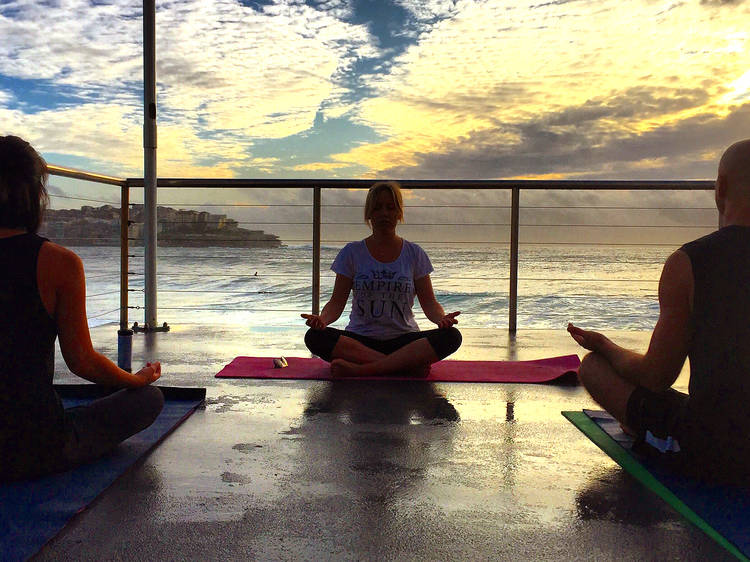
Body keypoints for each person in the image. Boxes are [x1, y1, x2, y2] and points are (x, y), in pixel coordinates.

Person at [568, 139, 750, 481]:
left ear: (720, 188)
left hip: (719, 451)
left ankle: (643, 429)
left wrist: (606, 346)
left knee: (593, 368)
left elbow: (656, 376)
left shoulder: (690, 262)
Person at [0, 135, 164, 482]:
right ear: (35, 194)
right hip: (31, 446)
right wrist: (134, 380)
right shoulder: (57, 262)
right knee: (148, 399)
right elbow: (82, 362)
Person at [302, 181, 462, 378]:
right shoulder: (352, 253)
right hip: (360, 340)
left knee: (452, 337)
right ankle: (404, 366)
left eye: (390, 207)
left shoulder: (414, 253)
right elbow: (336, 302)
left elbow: (429, 303)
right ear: (369, 213)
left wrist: (441, 319)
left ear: (399, 212)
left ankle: (362, 369)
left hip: (404, 340)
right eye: (377, 208)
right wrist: (322, 320)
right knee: (315, 337)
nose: (384, 213)